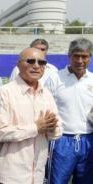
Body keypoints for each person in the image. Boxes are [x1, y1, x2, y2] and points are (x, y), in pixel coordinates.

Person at [0, 47, 62, 184]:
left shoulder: (47, 94)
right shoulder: (4, 93)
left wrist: (52, 128)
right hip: (11, 176)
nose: (36, 66)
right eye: (30, 61)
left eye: (41, 62)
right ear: (18, 65)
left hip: (37, 176)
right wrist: (36, 128)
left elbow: (57, 132)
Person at [45, 37, 93, 184]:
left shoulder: (92, 79)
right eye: (76, 56)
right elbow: (45, 108)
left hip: (88, 140)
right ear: (69, 56)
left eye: (84, 56)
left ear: (90, 57)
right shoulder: (55, 78)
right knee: (57, 181)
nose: (80, 61)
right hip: (61, 141)